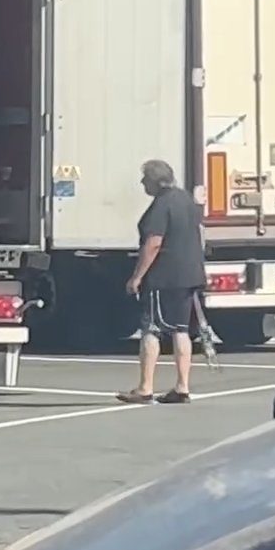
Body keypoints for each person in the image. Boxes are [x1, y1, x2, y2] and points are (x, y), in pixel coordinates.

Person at [117, 159, 206, 405]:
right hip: (189, 274)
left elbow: (154, 242)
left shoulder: (161, 205)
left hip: (163, 276)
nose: (142, 183)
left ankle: (145, 387)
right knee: (181, 329)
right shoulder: (186, 200)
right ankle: (182, 385)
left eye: (145, 179)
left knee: (152, 329)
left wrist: (137, 276)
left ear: (155, 180)